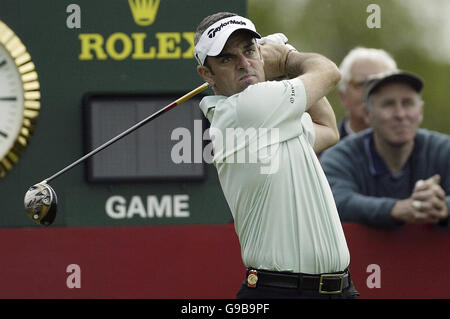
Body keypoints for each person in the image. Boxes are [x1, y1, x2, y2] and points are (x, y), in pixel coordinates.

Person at [194, 12, 359, 299]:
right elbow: (329, 72)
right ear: (207, 75)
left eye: (249, 51)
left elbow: (327, 129)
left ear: (260, 52)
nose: (244, 64)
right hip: (281, 292)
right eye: (227, 59)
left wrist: (281, 70)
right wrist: (286, 58)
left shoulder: (273, 113)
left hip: (340, 290)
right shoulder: (245, 109)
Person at [321, 70, 449, 228]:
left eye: (408, 103)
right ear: (368, 114)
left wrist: (443, 206)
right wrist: (395, 209)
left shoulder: (444, 149)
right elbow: (335, 201)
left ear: (420, 111)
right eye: (388, 104)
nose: (400, 114)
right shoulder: (339, 157)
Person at [337, 47, 397, 140]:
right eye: (361, 83)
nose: (370, 90)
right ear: (343, 96)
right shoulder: (318, 150)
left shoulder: (418, 149)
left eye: (378, 83)